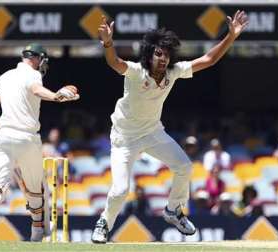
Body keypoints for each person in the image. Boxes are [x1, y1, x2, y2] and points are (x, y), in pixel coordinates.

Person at [91, 11, 248, 243]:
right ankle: (104, 223)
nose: (163, 59)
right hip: (124, 139)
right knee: (121, 190)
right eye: (158, 53)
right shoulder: (136, 72)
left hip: (153, 132)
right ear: (148, 54)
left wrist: (231, 36)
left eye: (166, 55)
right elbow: (114, 62)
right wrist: (107, 42)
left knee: (184, 166)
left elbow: (209, 60)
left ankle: (173, 210)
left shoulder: (172, 73)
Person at [0, 43, 80, 241]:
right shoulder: (33, 75)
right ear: (36, 58)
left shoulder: (5, 76)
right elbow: (37, 90)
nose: (43, 65)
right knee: (36, 187)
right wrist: (55, 96)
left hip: (3, 137)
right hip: (27, 138)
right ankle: (37, 230)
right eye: (43, 60)